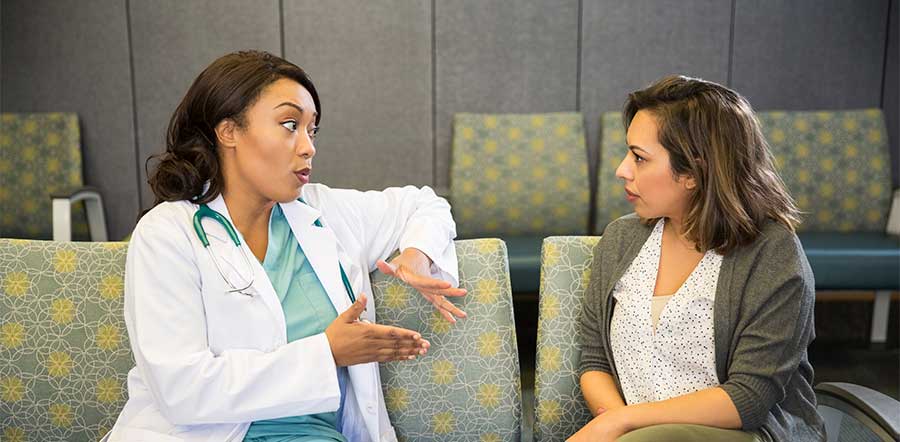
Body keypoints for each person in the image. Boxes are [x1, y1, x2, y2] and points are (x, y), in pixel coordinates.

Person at [106, 50, 466, 442]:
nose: (308, 146)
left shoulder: (323, 210)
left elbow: (426, 203)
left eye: (312, 130)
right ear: (229, 132)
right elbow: (181, 390)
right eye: (290, 124)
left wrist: (416, 255)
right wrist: (327, 354)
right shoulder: (167, 234)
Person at [570, 76, 825, 442]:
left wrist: (621, 424)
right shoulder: (621, 239)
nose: (622, 170)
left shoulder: (773, 252)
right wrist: (617, 423)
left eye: (639, 158)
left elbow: (749, 398)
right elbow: (594, 360)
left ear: (693, 170)